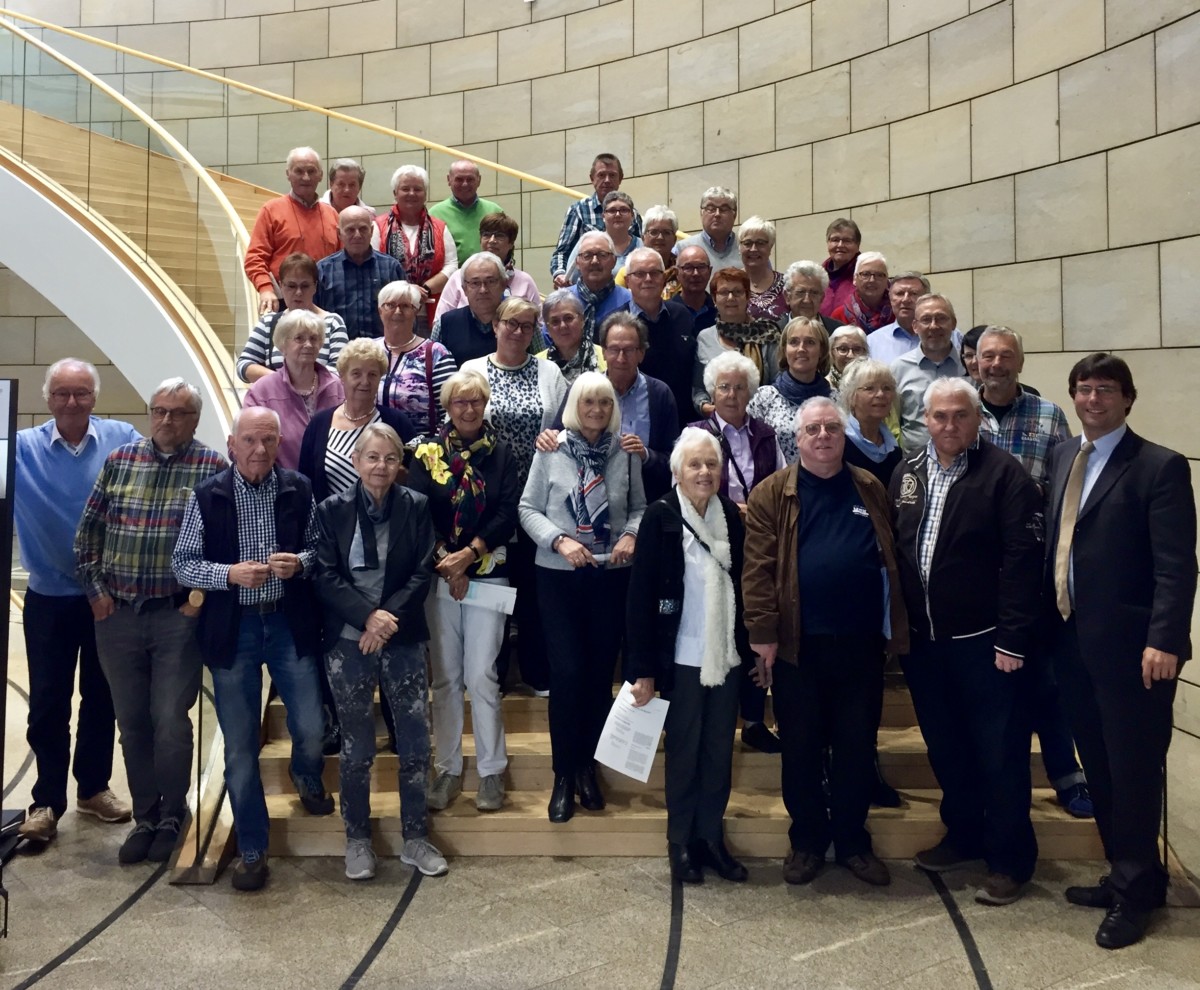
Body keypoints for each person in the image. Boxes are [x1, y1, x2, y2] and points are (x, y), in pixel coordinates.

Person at [1046, 354, 1197, 949]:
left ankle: (1135, 897)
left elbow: (1176, 565)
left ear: (1128, 399)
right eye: (1082, 390)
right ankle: (1129, 874)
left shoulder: (1158, 466)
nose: (1091, 399)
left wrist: (1165, 639)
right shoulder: (1064, 455)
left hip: (1136, 651)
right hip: (1074, 642)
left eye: (1104, 390)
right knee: (1102, 767)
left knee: (1133, 770)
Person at [743, 397, 907, 888]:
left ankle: (853, 842)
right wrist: (763, 635)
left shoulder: (869, 485)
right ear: (798, 437)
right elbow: (757, 571)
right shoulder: (773, 492)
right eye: (812, 429)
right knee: (801, 747)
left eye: (831, 428)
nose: (822, 436)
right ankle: (808, 841)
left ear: (844, 434)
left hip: (860, 644)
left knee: (857, 746)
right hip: (799, 646)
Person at [890, 378, 1043, 906]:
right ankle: (964, 835)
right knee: (947, 747)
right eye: (939, 416)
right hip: (927, 645)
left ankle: (1009, 859)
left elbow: (1024, 563)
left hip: (987, 645)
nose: (949, 425)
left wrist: (1013, 638)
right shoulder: (907, 473)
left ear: (977, 420)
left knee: (999, 754)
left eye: (959, 416)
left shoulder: (1005, 476)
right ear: (925, 420)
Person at [173, 407, 332, 892]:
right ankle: (254, 847)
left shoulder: (299, 489)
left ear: (278, 442)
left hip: (288, 622)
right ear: (232, 444)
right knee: (239, 748)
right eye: (250, 441)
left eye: (268, 441)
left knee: (311, 726)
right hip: (234, 627)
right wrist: (228, 575)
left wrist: (299, 564)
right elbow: (183, 565)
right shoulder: (207, 495)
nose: (260, 450)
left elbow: (320, 549)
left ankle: (306, 772)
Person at [74, 378, 225, 865]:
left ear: (194, 419)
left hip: (175, 618)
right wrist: (98, 597)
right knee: (132, 722)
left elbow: (225, 549)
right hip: (116, 615)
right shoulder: (120, 462)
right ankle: (145, 815)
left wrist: (197, 601)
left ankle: (173, 814)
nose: (165, 420)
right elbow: (86, 538)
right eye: (159, 410)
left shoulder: (212, 469)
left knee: (169, 723)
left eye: (177, 413)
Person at [313, 423, 449, 880]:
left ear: (399, 465)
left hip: (401, 635)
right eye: (372, 457)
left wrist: (385, 618)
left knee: (413, 742)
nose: (381, 467)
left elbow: (421, 569)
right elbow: (325, 574)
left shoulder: (416, 507)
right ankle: (357, 840)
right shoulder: (331, 509)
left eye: (390, 459)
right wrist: (366, 618)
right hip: (348, 641)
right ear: (356, 462)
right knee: (356, 747)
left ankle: (414, 836)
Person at [15, 360, 140, 844]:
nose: (72, 402)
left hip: (107, 597)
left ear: (94, 397)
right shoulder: (22, 448)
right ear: (48, 398)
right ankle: (46, 799)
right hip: (48, 598)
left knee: (101, 698)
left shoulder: (122, 437)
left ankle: (92, 788)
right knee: (47, 701)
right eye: (63, 393)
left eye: (81, 393)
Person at [625, 429, 753, 884]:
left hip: (724, 658)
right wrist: (641, 670)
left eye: (712, 464)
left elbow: (742, 589)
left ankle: (711, 839)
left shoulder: (732, 521)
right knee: (683, 753)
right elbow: (640, 599)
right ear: (677, 471)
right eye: (695, 464)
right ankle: (680, 842)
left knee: (719, 753)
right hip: (678, 659)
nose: (704, 472)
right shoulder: (660, 517)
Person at [974, 326, 1091, 819]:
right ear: (973, 362)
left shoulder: (1049, 416)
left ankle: (1066, 775)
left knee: (1045, 678)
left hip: (1035, 569)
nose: (996, 364)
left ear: (1019, 363)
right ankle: (989, 783)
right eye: (988, 356)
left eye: (1006, 356)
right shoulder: (958, 412)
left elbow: (1069, 487)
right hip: (977, 572)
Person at [519, 372, 645, 822]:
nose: (596, 411)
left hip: (610, 576)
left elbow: (639, 507)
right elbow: (527, 508)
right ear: (575, 405)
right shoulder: (550, 448)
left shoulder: (624, 451)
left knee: (597, 677)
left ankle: (587, 768)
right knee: (568, 673)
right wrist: (559, 541)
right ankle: (562, 776)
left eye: (604, 403)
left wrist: (631, 534)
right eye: (588, 402)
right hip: (558, 577)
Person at [409, 370, 520, 815]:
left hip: (489, 574)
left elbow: (508, 512)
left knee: (481, 676)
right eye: (460, 402)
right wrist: (447, 560)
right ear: (448, 407)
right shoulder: (425, 452)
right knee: (445, 678)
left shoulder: (502, 452)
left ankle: (492, 770)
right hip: (438, 576)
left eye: (476, 401)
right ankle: (449, 768)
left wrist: (469, 556)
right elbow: (417, 509)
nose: (469, 409)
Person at [464, 297, 569, 697]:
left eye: (527, 325)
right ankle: (495, 674)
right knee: (494, 584)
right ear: (495, 324)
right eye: (511, 323)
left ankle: (536, 671)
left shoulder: (549, 371)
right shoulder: (473, 369)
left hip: (539, 498)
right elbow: (461, 422)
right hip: (490, 499)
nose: (518, 331)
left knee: (534, 586)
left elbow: (562, 428)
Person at [688, 351, 784, 755]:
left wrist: (756, 512)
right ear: (713, 391)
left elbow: (781, 484)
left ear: (750, 391)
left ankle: (755, 719)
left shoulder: (766, 433)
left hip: (758, 544)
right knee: (717, 624)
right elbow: (687, 485)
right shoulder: (696, 432)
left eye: (739, 386)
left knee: (751, 628)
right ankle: (714, 715)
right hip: (712, 542)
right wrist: (728, 509)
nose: (731, 393)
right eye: (724, 386)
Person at [298, 338, 418, 506]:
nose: (365, 382)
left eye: (372, 374)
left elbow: (417, 479)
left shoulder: (397, 423)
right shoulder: (319, 424)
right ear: (342, 377)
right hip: (332, 526)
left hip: (387, 526)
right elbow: (305, 483)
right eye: (356, 374)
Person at [243, 309, 346, 469]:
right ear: (283, 345)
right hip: (283, 485)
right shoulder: (262, 391)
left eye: (314, 338)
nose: (308, 345)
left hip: (333, 484)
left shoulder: (338, 387)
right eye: (299, 338)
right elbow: (245, 443)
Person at [245, 146, 340, 317]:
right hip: (284, 303)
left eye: (312, 171)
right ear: (288, 174)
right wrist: (265, 289)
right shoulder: (271, 210)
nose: (306, 177)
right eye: (299, 171)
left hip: (325, 304)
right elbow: (254, 258)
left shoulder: (332, 214)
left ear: (321, 175)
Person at [236, 252, 349, 383]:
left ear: (315, 287)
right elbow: (243, 365)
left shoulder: (333, 323)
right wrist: (282, 382)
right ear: (281, 286)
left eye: (305, 286)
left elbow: (341, 369)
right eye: (291, 286)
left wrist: (298, 384)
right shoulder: (268, 323)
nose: (298, 292)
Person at [372, 164, 458, 331]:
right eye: (405, 189)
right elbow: (374, 267)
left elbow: (452, 266)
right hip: (390, 314)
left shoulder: (440, 228)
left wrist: (425, 289)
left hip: (429, 313)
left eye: (417, 189)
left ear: (425, 194)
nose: (411, 193)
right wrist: (406, 290)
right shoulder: (378, 226)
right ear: (395, 193)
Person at [623, 246, 697, 429]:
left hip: (683, 422)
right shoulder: (615, 325)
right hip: (635, 424)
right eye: (640, 273)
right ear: (627, 281)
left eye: (654, 273)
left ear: (664, 278)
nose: (648, 279)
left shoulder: (683, 315)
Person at [692, 268, 780, 416]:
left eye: (737, 292)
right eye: (724, 292)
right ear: (714, 299)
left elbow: (778, 384)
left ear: (748, 297)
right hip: (717, 423)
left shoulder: (767, 333)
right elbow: (698, 390)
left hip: (760, 421)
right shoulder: (704, 337)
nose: (731, 298)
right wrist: (707, 407)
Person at [376, 280, 457, 439]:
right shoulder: (367, 350)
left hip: (422, 454)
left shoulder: (436, 354)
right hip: (371, 451)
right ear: (380, 310)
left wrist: (432, 449)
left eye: (406, 306)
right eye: (390, 305)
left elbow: (451, 411)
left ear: (416, 311)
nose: (397, 311)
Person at [746, 317, 833, 464]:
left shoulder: (835, 400)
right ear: (785, 350)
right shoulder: (764, 398)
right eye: (793, 342)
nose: (801, 349)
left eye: (810, 342)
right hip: (776, 484)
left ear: (821, 351)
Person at [550, 153, 642, 287]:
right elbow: (562, 251)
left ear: (620, 179)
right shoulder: (578, 210)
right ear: (592, 178)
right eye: (601, 175)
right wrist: (560, 274)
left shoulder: (633, 214)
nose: (607, 180)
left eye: (612, 175)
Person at [892, 293, 967, 453]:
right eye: (926, 320)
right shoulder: (898, 368)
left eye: (941, 318)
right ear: (915, 326)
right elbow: (893, 422)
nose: (934, 326)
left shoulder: (969, 365)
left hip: (967, 461)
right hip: (914, 465)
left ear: (953, 323)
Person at [314, 206, 404, 340]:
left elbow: (405, 315)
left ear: (372, 231)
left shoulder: (391, 267)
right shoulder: (323, 270)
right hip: (337, 351)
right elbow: (313, 316)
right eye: (350, 230)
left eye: (363, 229)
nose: (357, 235)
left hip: (383, 350)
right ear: (339, 233)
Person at [434, 212, 541, 320]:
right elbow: (440, 322)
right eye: (487, 235)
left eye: (499, 236)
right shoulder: (458, 277)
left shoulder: (525, 281)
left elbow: (538, 324)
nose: (492, 240)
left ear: (511, 243)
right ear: (480, 240)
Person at [430, 251, 507, 366]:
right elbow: (431, 369)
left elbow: (540, 361)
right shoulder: (446, 324)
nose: (483, 290)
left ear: (503, 285)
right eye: (475, 283)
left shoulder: (520, 321)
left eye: (490, 281)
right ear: (464, 289)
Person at [867, 272, 960, 367]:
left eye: (913, 293)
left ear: (926, 299)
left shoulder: (955, 337)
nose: (905, 300)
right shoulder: (872, 342)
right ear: (890, 298)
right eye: (899, 293)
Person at [836, 358, 901, 488]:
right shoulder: (838, 443)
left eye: (887, 388)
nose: (881, 394)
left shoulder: (894, 451)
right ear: (852, 397)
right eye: (870, 388)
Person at [428, 159, 501, 261]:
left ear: (479, 180)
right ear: (449, 180)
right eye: (459, 179)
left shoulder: (495, 210)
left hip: (491, 275)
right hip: (450, 276)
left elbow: (506, 248)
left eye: (470, 179)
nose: (465, 184)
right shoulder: (434, 214)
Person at [565, 191, 642, 282]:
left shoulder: (642, 246)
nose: (618, 215)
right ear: (603, 216)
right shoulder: (587, 243)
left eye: (623, 210)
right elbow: (570, 281)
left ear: (632, 216)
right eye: (612, 210)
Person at [570, 230, 633, 339]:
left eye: (602, 255)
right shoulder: (562, 301)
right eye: (587, 255)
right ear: (577, 262)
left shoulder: (630, 302)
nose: (594, 261)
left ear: (614, 261)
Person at [536, 288, 606, 384]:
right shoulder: (537, 364)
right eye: (555, 321)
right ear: (547, 328)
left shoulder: (605, 357)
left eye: (568, 318)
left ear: (582, 320)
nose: (563, 326)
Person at [619, 205, 680, 298]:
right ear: (643, 238)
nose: (660, 237)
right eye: (654, 232)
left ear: (675, 239)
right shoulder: (628, 271)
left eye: (666, 232)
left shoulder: (682, 272)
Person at [676, 187, 740, 270]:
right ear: (701, 213)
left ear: (734, 215)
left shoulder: (746, 247)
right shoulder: (683, 248)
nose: (717, 214)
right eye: (711, 209)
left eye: (724, 209)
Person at [739, 217, 787, 325]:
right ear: (739, 247)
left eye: (760, 243)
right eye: (747, 243)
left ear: (770, 247)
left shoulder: (787, 284)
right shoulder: (730, 283)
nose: (753, 249)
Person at [829, 252, 892, 333]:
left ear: (887, 281)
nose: (872, 280)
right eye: (865, 274)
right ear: (855, 279)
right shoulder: (839, 315)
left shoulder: (897, 314)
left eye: (879, 275)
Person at [782, 260, 840, 335]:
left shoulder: (837, 332)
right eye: (801, 292)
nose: (807, 300)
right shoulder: (774, 332)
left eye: (814, 293)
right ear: (787, 296)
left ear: (822, 298)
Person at [818, 218, 861, 319]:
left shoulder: (867, 275)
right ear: (828, 243)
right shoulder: (817, 277)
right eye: (835, 240)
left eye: (847, 241)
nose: (840, 245)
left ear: (857, 245)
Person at [670, 246, 717, 334]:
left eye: (701, 267)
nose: (696, 273)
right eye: (688, 268)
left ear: (710, 271)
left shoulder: (720, 311)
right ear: (677, 273)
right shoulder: (667, 313)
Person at [827, 326, 869, 390]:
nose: (850, 355)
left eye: (857, 349)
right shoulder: (823, 386)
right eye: (843, 349)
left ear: (865, 353)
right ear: (831, 352)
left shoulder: (875, 385)